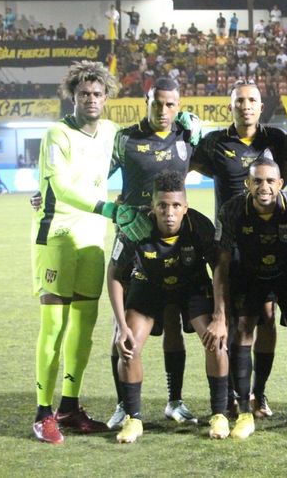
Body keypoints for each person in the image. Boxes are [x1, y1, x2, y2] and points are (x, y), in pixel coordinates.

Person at [30, 60, 151, 444]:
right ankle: (42, 412)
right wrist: (109, 208)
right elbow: (62, 187)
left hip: (91, 240)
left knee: (83, 330)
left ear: (107, 96)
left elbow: (140, 149)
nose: (91, 99)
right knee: (54, 327)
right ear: (73, 96)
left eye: (98, 93)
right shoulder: (56, 134)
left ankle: (69, 405)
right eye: (84, 94)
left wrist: (186, 129)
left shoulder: (111, 132)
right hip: (57, 237)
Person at [192, 79, 287, 419]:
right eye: (239, 101)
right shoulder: (214, 142)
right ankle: (240, 394)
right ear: (231, 106)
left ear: (261, 106)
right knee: (239, 320)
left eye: (252, 100)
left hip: (267, 238)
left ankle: (259, 393)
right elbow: (185, 166)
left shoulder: (276, 140)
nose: (246, 106)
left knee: (267, 317)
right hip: (232, 240)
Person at [104, 77, 200, 430]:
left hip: (172, 245)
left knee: (174, 321)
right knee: (124, 325)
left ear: (179, 105)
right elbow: (95, 179)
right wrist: (111, 210)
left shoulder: (187, 138)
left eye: (170, 104)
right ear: (147, 101)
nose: (163, 110)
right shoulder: (125, 139)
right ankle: (122, 405)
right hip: (133, 246)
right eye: (157, 103)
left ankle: (174, 401)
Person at [109, 170, 231, 443]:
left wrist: (220, 317)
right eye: (162, 205)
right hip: (148, 285)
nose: (169, 212)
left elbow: (220, 269)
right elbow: (114, 274)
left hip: (191, 286)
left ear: (185, 207)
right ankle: (133, 419)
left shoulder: (199, 226)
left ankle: (219, 414)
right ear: (153, 208)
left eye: (176, 205)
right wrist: (120, 325)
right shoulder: (135, 226)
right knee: (129, 347)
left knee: (218, 341)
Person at [212, 159, 287, 439]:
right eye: (257, 181)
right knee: (244, 328)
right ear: (248, 184)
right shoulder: (233, 209)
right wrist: (219, 312)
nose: (264, 187)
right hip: (250, 272)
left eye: (270, 181)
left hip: (286, 271)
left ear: (281, 184)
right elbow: (220, 262)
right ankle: (245, 411)